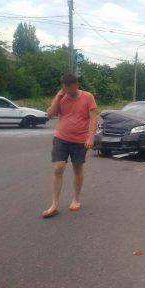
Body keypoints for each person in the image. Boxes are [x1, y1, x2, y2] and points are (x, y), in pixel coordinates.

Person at [42, 73, 98, 218]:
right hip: (61, 138)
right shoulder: (61, 97)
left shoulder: (87, 97)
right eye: (66, 88)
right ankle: (54, 204)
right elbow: (49, 115)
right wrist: (58, 97)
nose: (69, 91)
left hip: (80, 140)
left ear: (76, 85)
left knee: (77, 169)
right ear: (63, 86)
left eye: (71, 88)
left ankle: (76, 199)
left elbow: (93, 118)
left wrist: (91, 137)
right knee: (58, 168)